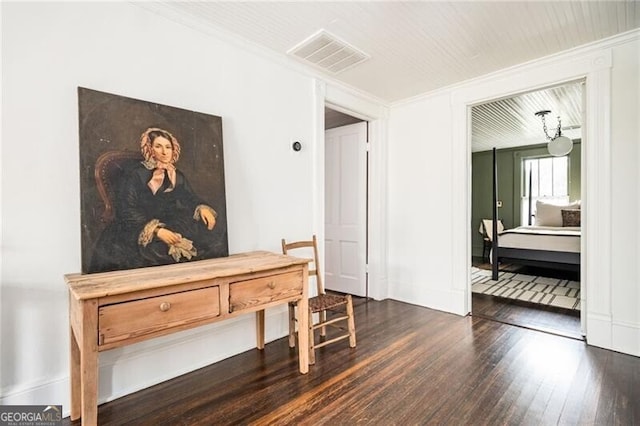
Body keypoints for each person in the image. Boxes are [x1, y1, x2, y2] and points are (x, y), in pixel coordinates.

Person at [89, 127, 226, 273]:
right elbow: (126, 209)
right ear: (150, 149)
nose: (164, 152)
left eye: (168, 147)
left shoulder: (176, 175)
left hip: (169, 222)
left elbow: (189, 197)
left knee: (206, 242)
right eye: (158, 146)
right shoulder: (136, 174)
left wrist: (202, 207)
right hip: (135, 228)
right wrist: (156, 230)